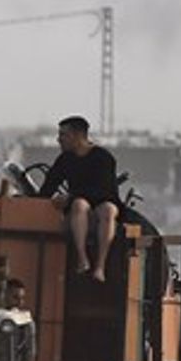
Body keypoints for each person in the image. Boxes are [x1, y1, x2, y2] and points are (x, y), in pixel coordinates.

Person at [37, 116, 126, 283]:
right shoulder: (65, 160)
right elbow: (48, 188)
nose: (59, 139)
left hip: (102, 207)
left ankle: (100, 266)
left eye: (63, 135)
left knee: (108, 209)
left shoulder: (103, 157)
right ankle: (82, 258)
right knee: (79, 205)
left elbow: (106, 191)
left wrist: (70, 197)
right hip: (80, 210)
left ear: (78, 136)